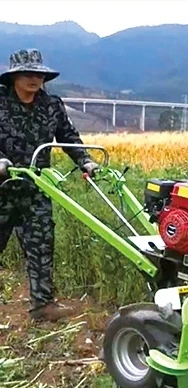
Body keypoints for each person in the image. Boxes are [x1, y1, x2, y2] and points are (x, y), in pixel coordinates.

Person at [0, 48, 99, 322]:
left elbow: (68, 137)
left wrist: (86, 162)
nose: (35, 78)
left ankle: (42, 306)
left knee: (42, 246)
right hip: (3, 189)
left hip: (36, 189)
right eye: (28, 73)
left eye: (39, 74)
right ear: (14, 76)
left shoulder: (52, 104)